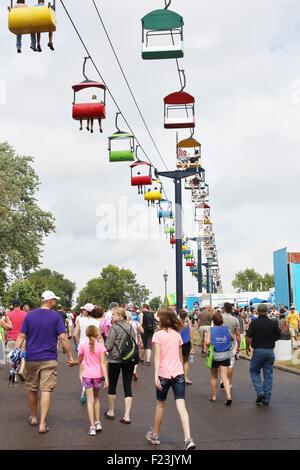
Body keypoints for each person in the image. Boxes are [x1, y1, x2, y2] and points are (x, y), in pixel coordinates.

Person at [14, 290, 73, 433]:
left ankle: (34, 417)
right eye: (54, 300)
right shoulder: (56, 317)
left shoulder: (30, 315)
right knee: (46, 389)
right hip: (49, 358)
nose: (56, 303)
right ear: (49, 301)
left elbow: (22, 336)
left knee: (32, 388)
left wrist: (16, 352)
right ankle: (42, 423)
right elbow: (63, 337)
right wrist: (71, 356)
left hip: (32, 358)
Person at [146, 308, 196, 450]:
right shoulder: (177, 335)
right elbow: (180, 357)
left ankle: (155, 434)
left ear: (162, 320)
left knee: (160, 405)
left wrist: (155, 376)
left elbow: (157, 357)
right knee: (181, 406)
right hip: (178, 373)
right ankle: (188, 439)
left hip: (163, 374)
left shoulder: (158, 335)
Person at [68, 325, 108, 435]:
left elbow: (79, 361)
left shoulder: (83, 345)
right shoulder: (101, 347)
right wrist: (106, 378)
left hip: (87, 375)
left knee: (89, 401)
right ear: (96, 333)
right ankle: (98, 421)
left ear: (86, 333)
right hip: (97, 376)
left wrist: (72, 363)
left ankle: (92, 427)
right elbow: (103, 364)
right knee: (97, 399)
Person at [105, 307, 136, 423]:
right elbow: (134, 341)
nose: (111, 316)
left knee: (112, 384)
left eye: (113, 314)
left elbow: (108, 345)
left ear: (120, 316)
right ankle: (127, 415)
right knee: (127, 386)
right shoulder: (130, 326)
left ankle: (111, 411)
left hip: (115, 359)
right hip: (128, 359)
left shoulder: (115, 327)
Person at [246, 304, 281, 405]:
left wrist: (247, 347)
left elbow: (248, 337)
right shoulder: (272, 323)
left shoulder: (254, 323)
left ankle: (260, 391)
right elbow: (278, 336)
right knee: (268, 375)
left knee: (254, 371)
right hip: (270, 351)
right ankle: (267, 398)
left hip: (258, 350)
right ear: (267, 311)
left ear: (257, 311)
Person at [73, 303, 101, 404]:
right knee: (93, 367)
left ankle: (85, 388)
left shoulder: (80, 320)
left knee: (82, 371)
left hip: (82, 346)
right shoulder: (97, 322)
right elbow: (99, 336)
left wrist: (77, 344)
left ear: (86, 311)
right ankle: (91, 388)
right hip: (94, 346)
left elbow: (75, 334)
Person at [205, 312, 233, 405]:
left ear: (213, 321)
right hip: (225, 355)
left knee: (213, 377)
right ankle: (228, 395)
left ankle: (213, 396)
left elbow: (207, 343)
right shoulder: (226, 329)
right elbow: (232, 338)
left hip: (215, 356)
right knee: (224, 377)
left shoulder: (211, 330)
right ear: (221, 320)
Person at [222, 302, 241, 388]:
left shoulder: (219, 318)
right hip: (232, 342)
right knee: (230, 363)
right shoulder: (235, 320)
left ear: (224, 308)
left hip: (220, 341)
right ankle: (228, 382)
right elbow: (238, 335)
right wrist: (239, 346)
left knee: (221, 362)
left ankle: (223, 380)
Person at [126, 311, 144, 381]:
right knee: (135, 358)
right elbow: (142, 331)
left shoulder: (123, 323)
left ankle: (128, 371)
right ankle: (134, 370)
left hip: (125, 343)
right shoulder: (135, 322)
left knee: (126, 357)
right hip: (134, 342)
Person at [179, 310, 194, 385]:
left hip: (178, 344)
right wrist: (192, 347)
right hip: (186, 343)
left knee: (179, 361)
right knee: (185, 361)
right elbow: (191, 335)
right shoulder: (188, 323)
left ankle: (179, 377)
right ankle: (185, 377)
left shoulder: (177, 322)